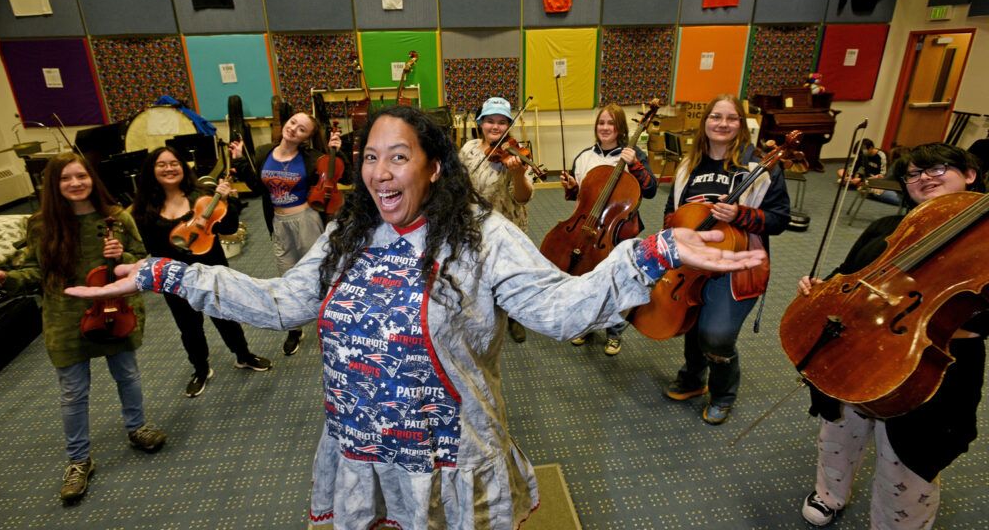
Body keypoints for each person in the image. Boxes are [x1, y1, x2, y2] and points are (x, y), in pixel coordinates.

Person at [66, 106, 765, 530]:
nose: (380, 172)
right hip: (362, 450)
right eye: (370, 157)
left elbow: (560, 307)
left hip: (449, 456)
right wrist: (166, 271)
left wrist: (653, 250)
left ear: (433, 166)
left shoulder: (484, 235)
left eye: (398, 156)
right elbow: (281, 303)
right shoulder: (347, 234)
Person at [796, 143, 986, 529]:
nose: (923, 179)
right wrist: (823, 288)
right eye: (913, 175)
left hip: (933, 359)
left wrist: (940, 320)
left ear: (969, 174)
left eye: (937, 169)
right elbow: (847, 272)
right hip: (856, 342)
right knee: (839, 429)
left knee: (907, 460)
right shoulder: (888, 228)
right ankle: (830, 493)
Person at [0, 152, 166, 504]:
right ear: (54, 185)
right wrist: (6, 279)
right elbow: (34, 272)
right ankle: (79, 460)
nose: (76, 183)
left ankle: (137, 427)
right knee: (72, 392)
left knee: (128, 375)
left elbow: (143, 261)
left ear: (92, 178)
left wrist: (121, 256)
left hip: (115, 309)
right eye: (66, 179)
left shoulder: (117, 217)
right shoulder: (41, 224)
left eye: (82, 176)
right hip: (64, 315)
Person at [663, 94, 790, 425]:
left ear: (741, 125)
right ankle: (693, 378)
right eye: (715, 117)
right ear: (705, 122)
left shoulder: (759, 169)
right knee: (690, 318)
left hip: (738, 265)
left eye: (731, 118)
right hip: (692, 262)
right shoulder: (687, 167)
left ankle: (723, 392)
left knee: (717, 334)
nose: (722, 124)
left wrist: (741, 215)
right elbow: (671, 213)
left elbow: (779, 219)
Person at [131, 146, 272, 398]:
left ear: (183, 167)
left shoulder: (203, 196)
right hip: (176, 278)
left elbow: (228, 228)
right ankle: (200, 368)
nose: (169, 168)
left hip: (212, 270)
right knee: (189, 326)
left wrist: (227, 200)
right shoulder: (145, 208)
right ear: (152, 171)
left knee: (225, 316)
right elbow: (152, 248)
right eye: (161, 164)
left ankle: (243, 355)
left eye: (174, 162)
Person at [230, 112, 348, 356]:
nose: (294, 129)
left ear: (306, 137)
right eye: (293, 122)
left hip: (306, 220)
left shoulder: (311, 158)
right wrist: (241, 160)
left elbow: (342, 175)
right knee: (287, 277)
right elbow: (255, 186)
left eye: (302, 129)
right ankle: (294, 329)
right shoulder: (263, 153)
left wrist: (338, 150)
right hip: (278, 221)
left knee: (320, 273)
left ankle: (331, 323)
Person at [559, 103, 658, 355]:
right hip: (588, 227)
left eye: (611, 123)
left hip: (618, 231)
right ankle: (587, 325)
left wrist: (635, 164)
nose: (605, 128)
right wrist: (571, 187)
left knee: (616, 282)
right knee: (585, 277)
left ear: (620, 128)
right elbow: (580, 198)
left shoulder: (632, 154)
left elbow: (650, 190)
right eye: (601, 123)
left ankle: (614, 332)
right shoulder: (584, 156)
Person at [459, 97, 535, 342]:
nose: (495, 127)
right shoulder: (469, 149)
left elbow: (523, 198)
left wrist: (517, 173)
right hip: (475, 223)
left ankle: (514, 316)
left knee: (510, 273)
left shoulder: (517, 154)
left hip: (508, 224)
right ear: (481, 123)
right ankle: (483, 313)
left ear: (508, 126)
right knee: (478, 270)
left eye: (502, 122)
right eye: (490, 121)